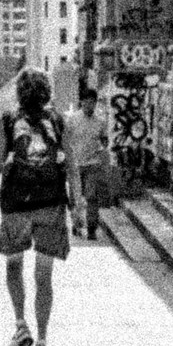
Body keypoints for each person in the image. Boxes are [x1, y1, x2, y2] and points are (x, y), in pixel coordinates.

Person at [0, 68, 75, 346]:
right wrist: (77, 202)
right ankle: (43, 343)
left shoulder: (8, 121)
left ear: (20, 92)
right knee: (44, 275)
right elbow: (71, 166)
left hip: (15, 203)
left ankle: (21, 325)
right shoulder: (59, 121)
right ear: (47, 91)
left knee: (14, 264)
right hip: (51, 203)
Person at [62, 78, 113, 239]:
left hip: (92, 164)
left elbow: (105, 140)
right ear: (81, 102)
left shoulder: (100, 122)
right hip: (75, 165)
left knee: (91, 197)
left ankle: (91, 229)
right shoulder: (72, 120)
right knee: (76, 199)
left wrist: (103, 148)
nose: (89, 105)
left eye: (92, 102)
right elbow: (64, 140)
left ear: (95, 103)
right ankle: (77, 225)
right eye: (86, 102)